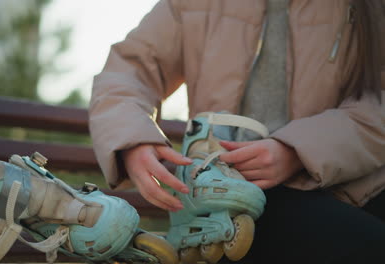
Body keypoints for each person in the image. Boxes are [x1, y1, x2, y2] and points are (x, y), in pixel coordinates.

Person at [89, 1, 385, 263]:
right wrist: (133, 140)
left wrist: (297, 150)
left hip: (360, 182)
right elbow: (130, 69)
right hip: (234, 194)